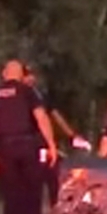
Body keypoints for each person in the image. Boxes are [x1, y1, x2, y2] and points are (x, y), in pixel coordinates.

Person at [0, 60, 59, 214]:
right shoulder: (27, 92)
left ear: (4, 74)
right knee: (32, 194)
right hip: (28, 146)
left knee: (11, 196)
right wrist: (51, 145)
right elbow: (41, 118)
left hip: (4, 148)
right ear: (20, 74)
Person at [22, 66, 84, 205]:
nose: (30, 78)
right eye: (26, 75)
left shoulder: (40, 95)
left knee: (53, 178)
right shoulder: (19, 97)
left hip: (44, 142)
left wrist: (71, 135)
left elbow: (56, 115)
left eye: (32, 75)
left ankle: (56, 207)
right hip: (27, 145)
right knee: (32, 181)